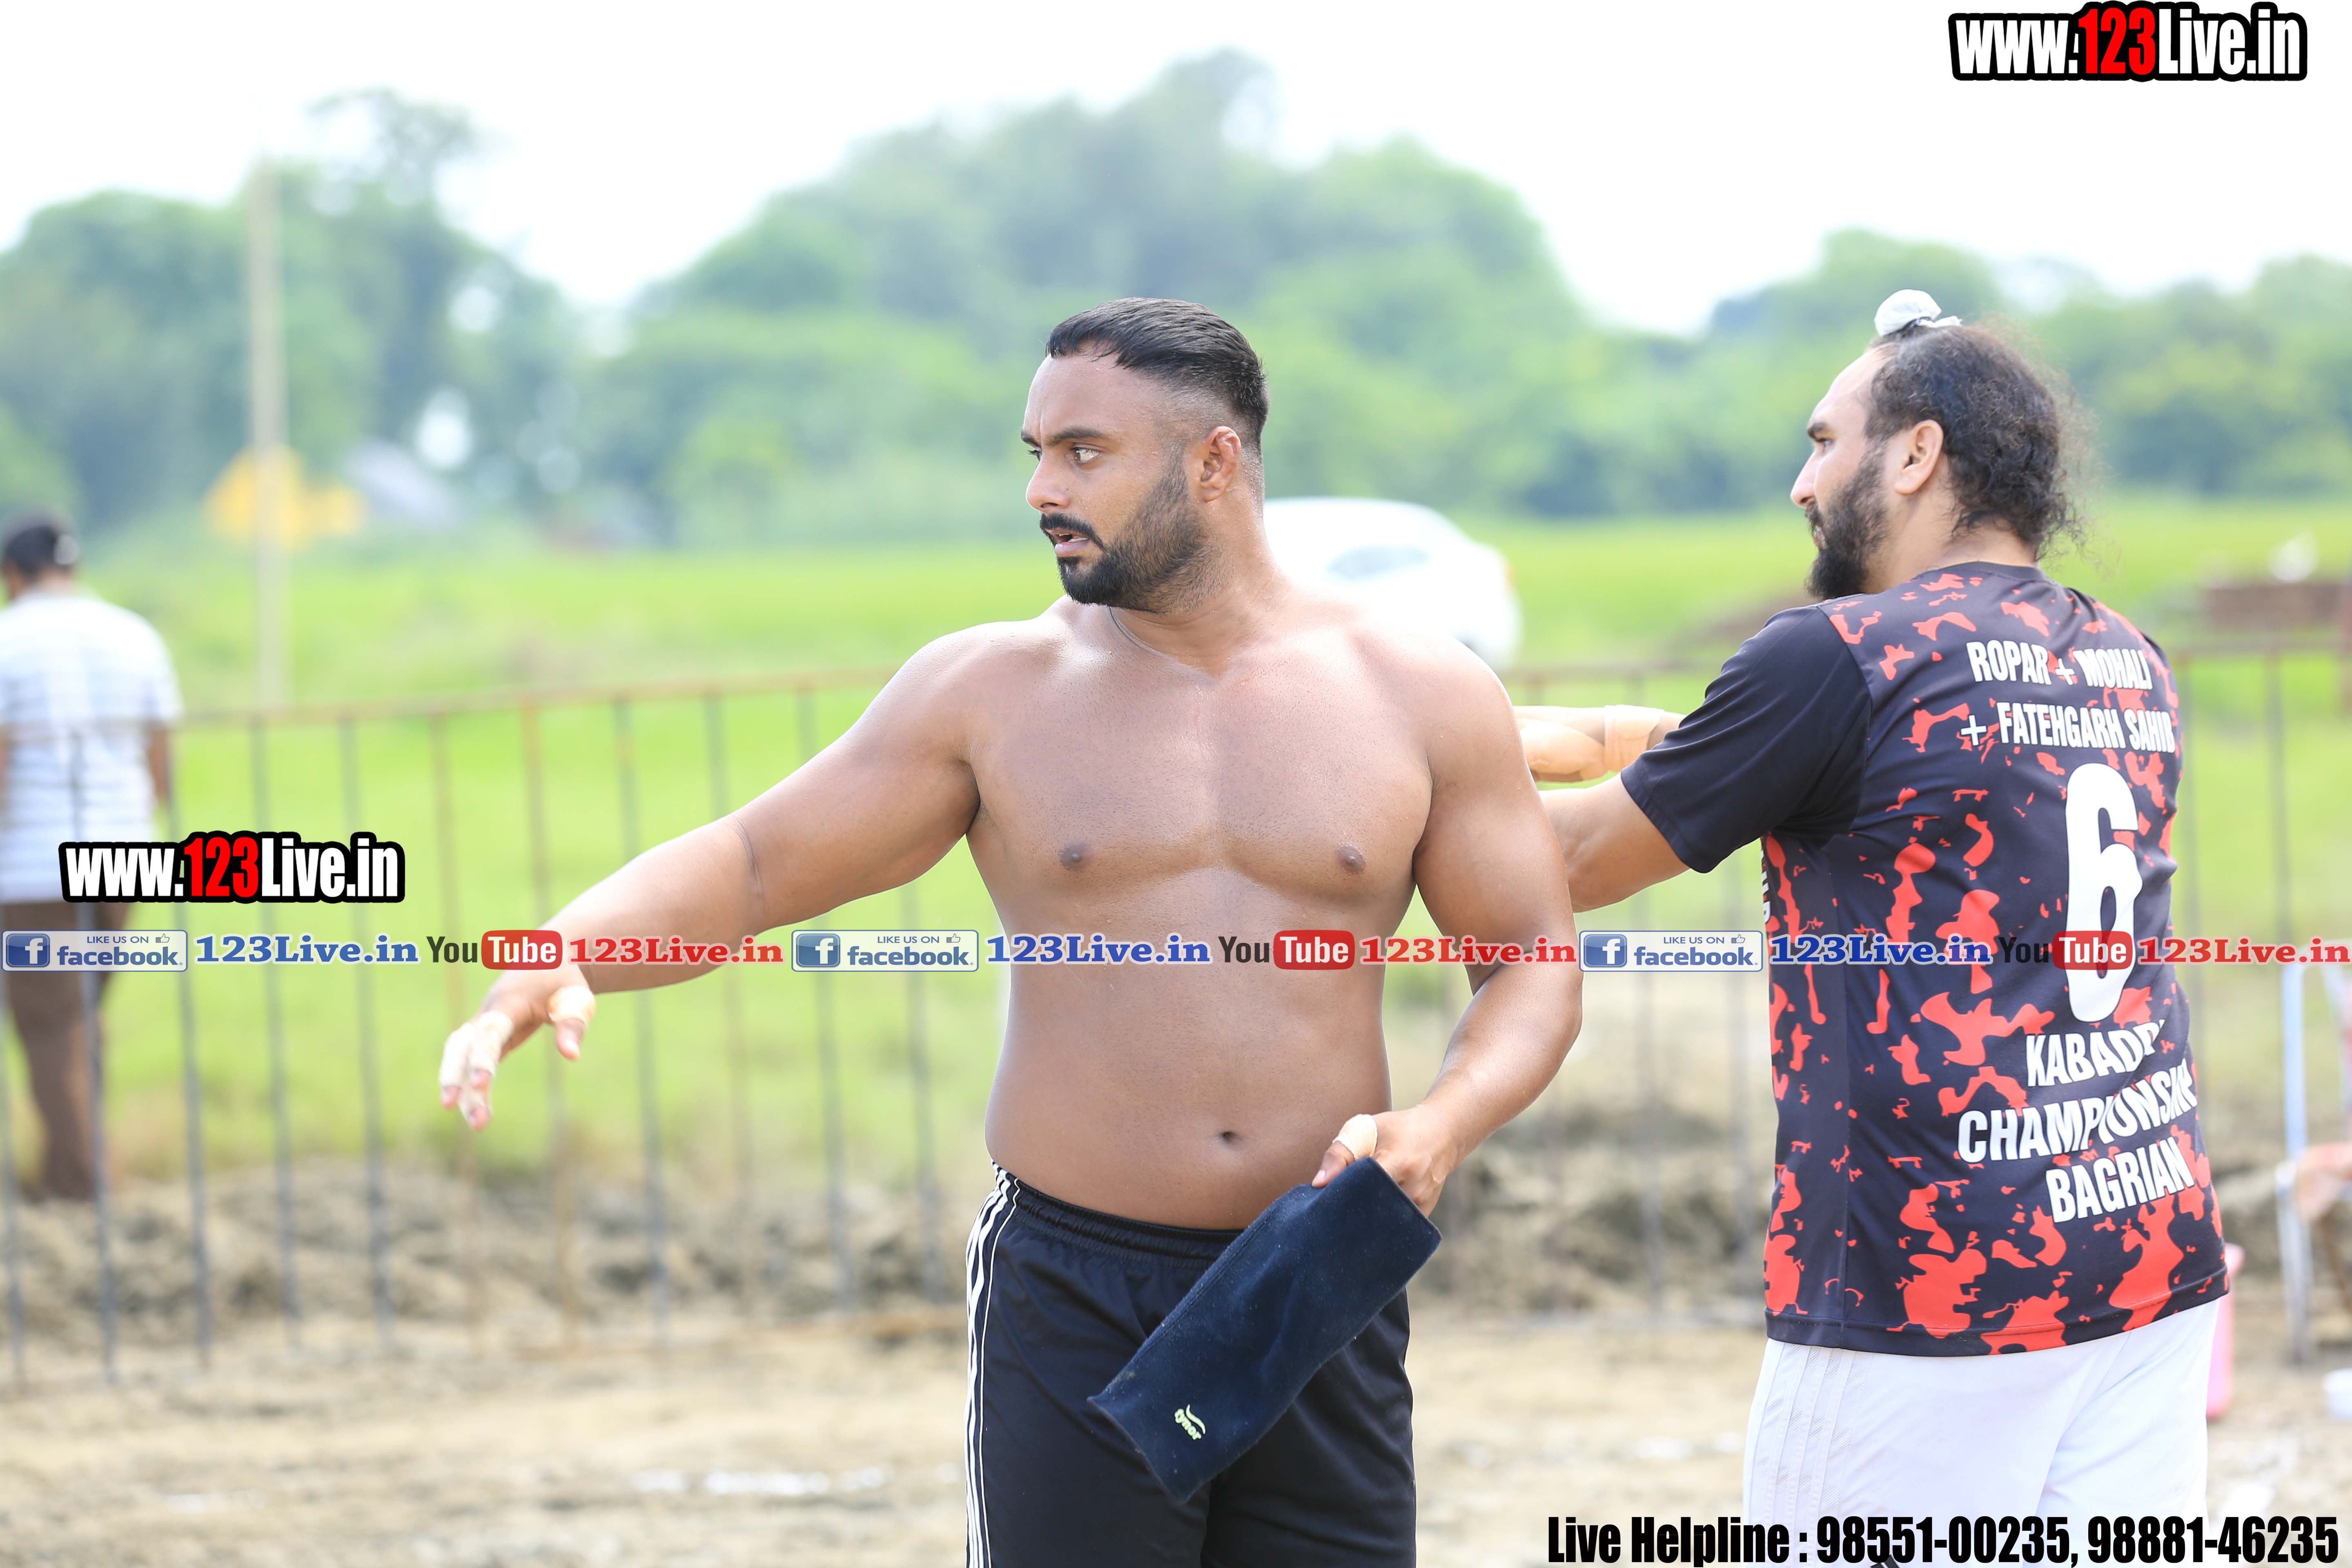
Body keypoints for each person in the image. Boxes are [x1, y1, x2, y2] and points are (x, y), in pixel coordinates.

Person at [436, 298, 1583, 1565]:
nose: (1044, 488)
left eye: (1084, 452)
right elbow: (755, 862)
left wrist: (1442, 1126)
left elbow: (1530, 961)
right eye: (1036, 452)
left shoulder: (1423, 691)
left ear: (1213, 463)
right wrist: (563, 949)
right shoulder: (990, 692)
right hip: (1076, 1289)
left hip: (1316, 1272)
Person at [1525, 293, 2224, 1520]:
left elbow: (1564, 865)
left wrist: (1383, 767)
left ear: (1915, 455)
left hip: (1930, 1282)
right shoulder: (2129, 655)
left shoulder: (1837, 655)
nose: (1802, 484)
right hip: (2149, 1247)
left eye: (1824, 441)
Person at [0, 514, 181, 1201]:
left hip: (35, 866)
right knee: (79, 1018)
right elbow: (161, 760)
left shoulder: (8, 641)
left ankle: (85, 1196)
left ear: (13, 576)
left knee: (51, 1025)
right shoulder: (135, 635)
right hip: (125, 858)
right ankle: (68, 1173)